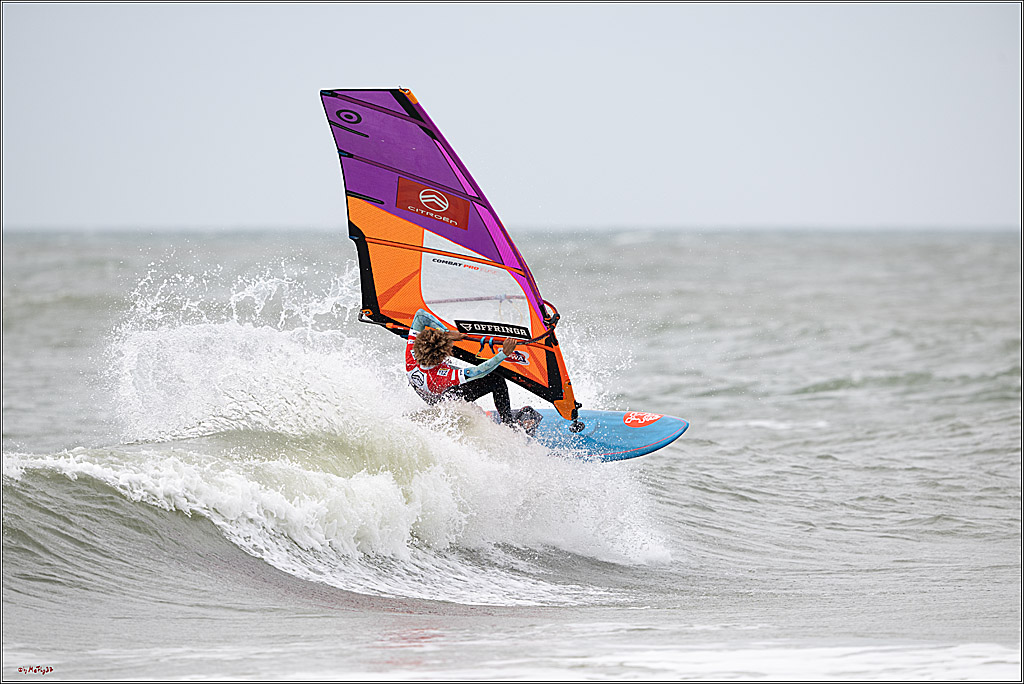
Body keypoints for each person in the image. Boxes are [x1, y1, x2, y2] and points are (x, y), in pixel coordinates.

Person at [406, 309, 541, 432]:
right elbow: (479, 371)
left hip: (427, 393)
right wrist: (504, 353)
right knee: (495, 379)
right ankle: (509, 425)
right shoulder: (443, 377)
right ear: (440, 356)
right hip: (444, 400)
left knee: (459, 381)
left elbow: (420, 316)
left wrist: (446, 334)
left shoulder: (410, 356)